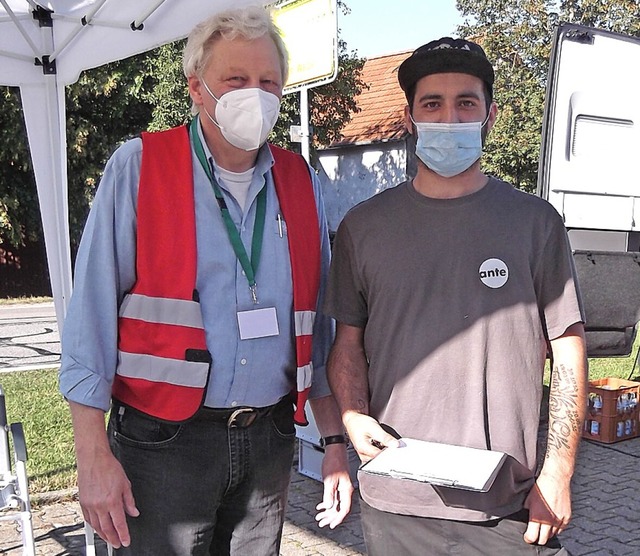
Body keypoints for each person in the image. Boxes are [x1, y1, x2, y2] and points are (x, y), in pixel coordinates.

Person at [58, 6, 353, 555]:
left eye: (268, 82)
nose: (255, 94)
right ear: (197, 88)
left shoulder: (299, 180)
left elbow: (322, 329)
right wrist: (92, 456)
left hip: (269, 439)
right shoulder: (139, 166)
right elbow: (91, 317)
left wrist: (333, 442)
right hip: (164, 442)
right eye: (235, 80)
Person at [325, 37, 587, 556]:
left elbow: (568, 349)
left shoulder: (536, 224)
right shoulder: (364, 227)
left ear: (490, 115)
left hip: (506, 503)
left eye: (465, 102)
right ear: (409, 118)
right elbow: (347, 346)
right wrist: (353, 417)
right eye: (432, 104)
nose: (449, 117)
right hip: (395, 499)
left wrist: (558, 471)